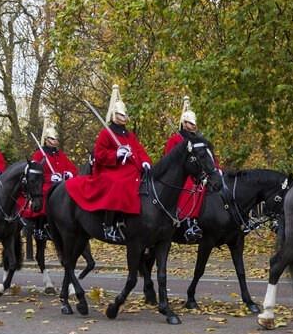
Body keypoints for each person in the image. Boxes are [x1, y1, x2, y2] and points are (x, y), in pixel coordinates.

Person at [64, 85, 152, 243]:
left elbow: (139, 151)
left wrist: (145, 162)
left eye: (124, 115)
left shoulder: (129, 135)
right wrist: (116, 154)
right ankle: (109, 224)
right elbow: (99, 154)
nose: (122, 117)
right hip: (111, 170)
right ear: (113, 115)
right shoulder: (106, 133)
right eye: (119, 114)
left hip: (131, 169)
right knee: (117, 184)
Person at [163, 96, 211, 242]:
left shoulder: (198, 140)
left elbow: (207, 157)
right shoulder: (175, 140)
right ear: (184, 123)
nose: (192, 126)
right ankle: (188, 221)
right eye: (189, 123)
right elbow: (168, 158)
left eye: (193, 124)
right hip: (181, 174)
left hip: (197, 172)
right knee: (190, 188)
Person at [24, 114, 78, 239]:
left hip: (61, 183)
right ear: (47, 140)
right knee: (45, 194)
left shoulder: (60, 154)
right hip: (46, 183)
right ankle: (40, 227)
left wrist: (68, 174)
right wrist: (50, 178)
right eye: (53, 140)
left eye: (56, 139)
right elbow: (35, 174)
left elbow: (71, 168)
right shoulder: (39, 154)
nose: (55, 142)